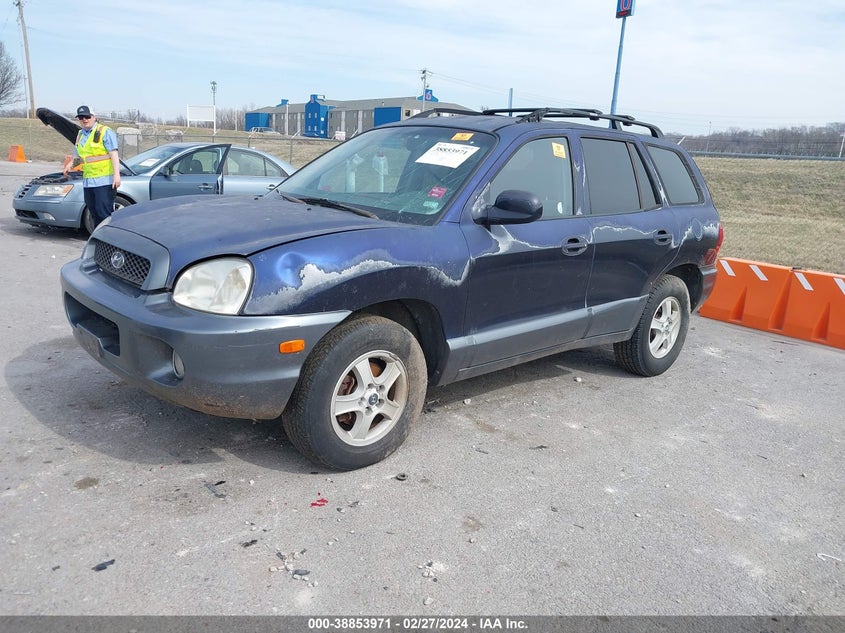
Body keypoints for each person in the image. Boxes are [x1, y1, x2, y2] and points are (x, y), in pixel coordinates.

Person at [63, 105, 121, 228]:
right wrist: (70, 166)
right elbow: (79, 157)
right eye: (81, 117)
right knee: (94, 213)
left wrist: (117, 175)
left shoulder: (105, 131)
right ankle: (99, 242)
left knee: (104, 214)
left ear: (94, 117)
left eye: (87, 116)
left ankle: (109, 242)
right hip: (88, 182)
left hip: (105, 182)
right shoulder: (80, 134)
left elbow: (114, 154)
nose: (84, 119)